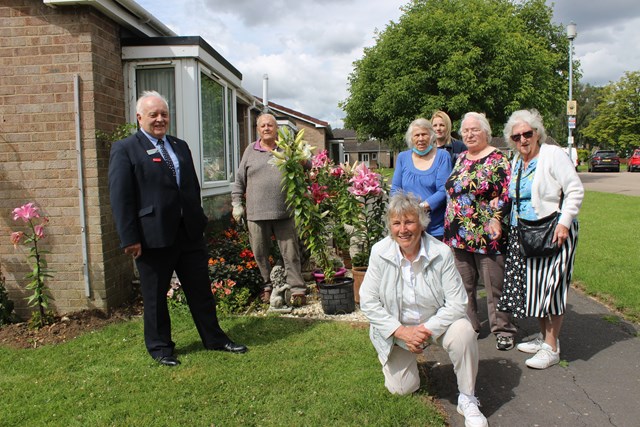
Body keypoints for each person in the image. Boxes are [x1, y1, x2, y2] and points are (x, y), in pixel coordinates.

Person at [108, 91, 247, 367]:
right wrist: (129, 238)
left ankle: (214, 338)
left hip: (189, 234)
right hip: (152, 237)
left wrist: (199, 219)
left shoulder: (180, 146)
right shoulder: (125, 149)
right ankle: (161, 347)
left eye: (164, 114)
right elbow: (120, 196)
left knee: (201, 291)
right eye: (153, 115)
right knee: (155, 297)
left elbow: (191, 187)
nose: (160, 119)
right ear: (139, 118)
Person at [360, 192, 488, 427]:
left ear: (421, 223)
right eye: (396, 223)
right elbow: (367, 300)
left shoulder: (440, 252)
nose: (403, 229)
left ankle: (467, 398)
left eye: (409, 221)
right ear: (390, 226)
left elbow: (458, 302)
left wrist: (424, 330)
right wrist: (401, 332)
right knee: (402, 389)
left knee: (464, 331)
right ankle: (403, 359)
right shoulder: (380, 251)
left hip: (435, 324)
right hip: (397, 331)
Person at [497, 109, 584, 369]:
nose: (522, 140)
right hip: (526, 232)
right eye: (516, 136)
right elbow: (513, 197)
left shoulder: (552, 155)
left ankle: (552, 346)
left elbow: (575, 190)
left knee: (552, 288)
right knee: (534, 289)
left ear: (537, 133)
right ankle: (543, 337)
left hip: (553, 231)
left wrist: (564, 221)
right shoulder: (516, 162)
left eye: (527, 134)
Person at [443, 112, 517, 351]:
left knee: (494, 285)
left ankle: (503, 330)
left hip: (487, 235)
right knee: (464, 285)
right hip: (457, 234)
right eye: (465, 131)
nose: (469, 134)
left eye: (474, 129)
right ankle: (470, 325)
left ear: (486, 131)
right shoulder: (462, 157)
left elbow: (507, 195)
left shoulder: (498, 159)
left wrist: (497, 219)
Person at [231, 113, 307, 306]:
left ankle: (297, 288)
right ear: (258, 129)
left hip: (284, 212)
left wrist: (302, 157)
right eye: (263, 125)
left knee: (290, 252)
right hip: (256, 214)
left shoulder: (286, 148)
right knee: (260, 253)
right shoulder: (250, 151)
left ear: (276, 129)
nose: (266, 128)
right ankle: (268, 286)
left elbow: (307, 165)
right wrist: (236, 204)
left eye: (270, 125)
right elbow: (240, 180)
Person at [391, 118, 451, 240]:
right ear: (411, 139)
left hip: (435, 228)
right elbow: (395, 189)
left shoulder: (443, 156)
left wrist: (421, 208)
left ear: (431, 136)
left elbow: (443, 190)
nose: (420, 139)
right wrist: (403, 210)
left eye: (424, 134)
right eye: (416, 135)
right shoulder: (402, 157)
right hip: (407, 226)